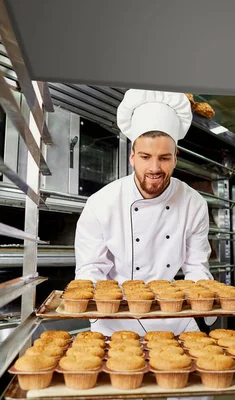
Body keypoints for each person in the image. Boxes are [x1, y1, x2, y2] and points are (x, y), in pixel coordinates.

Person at [74, 89, 213, 335]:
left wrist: (205, 301)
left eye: (164, 158)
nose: (154, 168)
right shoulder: (101, 203)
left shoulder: (194, 203)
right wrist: (101, 309)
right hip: (115, 318)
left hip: (172, 316)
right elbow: (90, 269)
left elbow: (196, 266)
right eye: (146, 157)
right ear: (132, 157)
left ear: (175, 159)